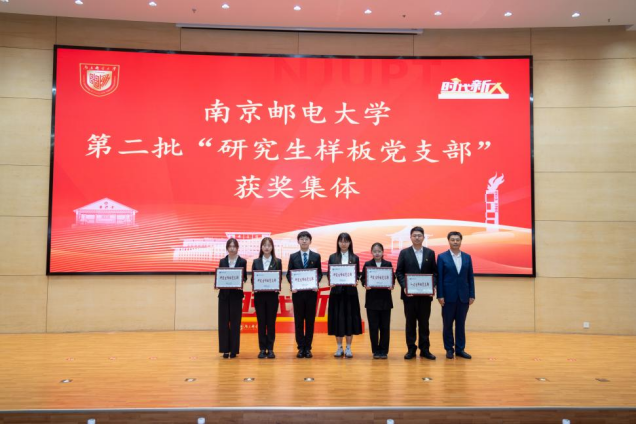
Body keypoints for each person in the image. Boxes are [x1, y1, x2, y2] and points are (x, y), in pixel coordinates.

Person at [395, 226, 438, 360]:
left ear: (423, 237)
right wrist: (405, 286)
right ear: (411, 237)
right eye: (415, 235)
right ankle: (411, 349)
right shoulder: (404, 253)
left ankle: (425, 350)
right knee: (410, 323)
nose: (417, 238)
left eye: (419, 235)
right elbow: (399, 272)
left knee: (424, 323)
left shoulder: (430, 253)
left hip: (425, 296)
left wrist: (432, 286)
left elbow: (435, 273)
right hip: (409, 296)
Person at [437, 231, 475, 359]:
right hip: (448, 297)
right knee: (447, 324)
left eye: (457, 240)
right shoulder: (442, 257)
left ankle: (460, 349)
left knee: (461, 324)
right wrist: (440, 295)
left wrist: (472, 294)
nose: (455, 242)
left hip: (463, 297)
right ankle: (449, 349)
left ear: (461, 241)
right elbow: (440, 278)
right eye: (452, 239)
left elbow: (470, 278)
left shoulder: (467, 257)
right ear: (448, 241)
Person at [286, 231, 323, 359]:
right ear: (298, 241)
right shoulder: (293, 257)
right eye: (301, 238)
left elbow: (319, 274)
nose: (304, 241)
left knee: (310, 321)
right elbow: (289, 274)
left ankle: (308, 348)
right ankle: (300, 347)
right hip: (298, 294)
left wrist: (316, 282)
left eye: (306, 238)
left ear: (310, 241)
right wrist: (293, 284)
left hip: (311, 293)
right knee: (299, 321)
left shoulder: (316, 256)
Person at [327, 233, 362, 358]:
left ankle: (348, 348)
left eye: (346, 241)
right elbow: (330, 274)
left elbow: (357, 274)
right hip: (336, 294)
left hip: (350, 294)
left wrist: (356, 280)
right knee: (338, 319)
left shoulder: (355, 257)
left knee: (349, 320)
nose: (343, 243)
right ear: (338, 242)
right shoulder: (332, 257)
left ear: (350, 243)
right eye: (341, 241)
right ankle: (339, 347)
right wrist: (331, 281)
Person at [360, 242, 394, 359]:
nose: (377, 253)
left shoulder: (388, 264)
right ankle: (375, 350)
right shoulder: (367, 264)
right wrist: (365, 284)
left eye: (379, 251)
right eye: (375, 251)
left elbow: (392, 278)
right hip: (372, 301)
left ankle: (384, 350)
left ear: (383, 252)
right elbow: (363, 278)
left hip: (385, 300)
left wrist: (392, 285)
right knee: (373, 327)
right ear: (371, 252)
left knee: (385, 327)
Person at [251, 237, 282, 359]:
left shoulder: (277, 262)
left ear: (272, 247)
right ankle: (262, 349)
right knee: (261, 323)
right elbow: (253, 279)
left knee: (271, 323)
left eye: (269, 245)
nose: (267, 247)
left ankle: (271, 348)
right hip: (259, 296)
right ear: (261, 247)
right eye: (264, 245)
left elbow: (279, 278)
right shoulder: (256, 262)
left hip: (272, 297)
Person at [217, 238, 247, 359]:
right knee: (223, 323)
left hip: (236, 296)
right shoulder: (222, 261)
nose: (232, 248)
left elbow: (244, 277)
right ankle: (225, 350)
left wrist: (240, 281)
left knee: (235, 323)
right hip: (224, 296)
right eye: (230, 246)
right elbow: (220, 276)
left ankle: (234, 350)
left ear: (237, 248)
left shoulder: (242, 261)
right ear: (227, 248)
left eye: (234, 246)